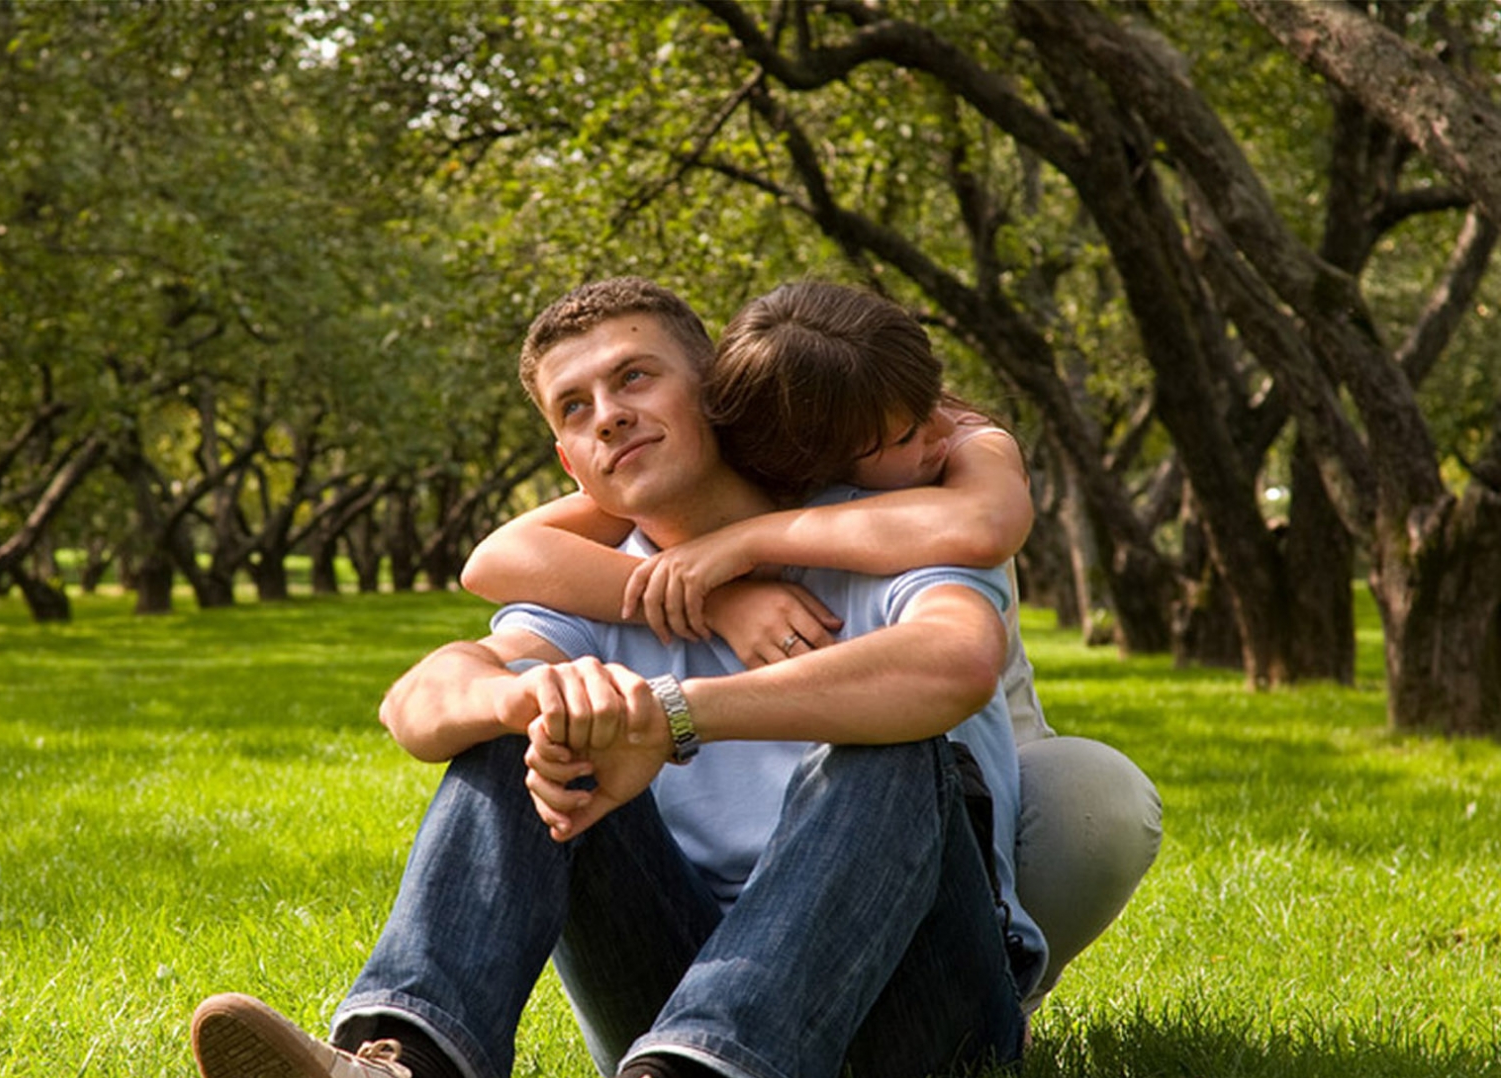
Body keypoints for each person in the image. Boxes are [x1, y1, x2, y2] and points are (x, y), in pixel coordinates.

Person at [191, 277, 1041, 1078]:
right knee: (519, 712)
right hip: (667, 988)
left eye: (635, 377)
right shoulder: (597, 583)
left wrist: (668, 717)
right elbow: (420, 699)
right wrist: (532, 701)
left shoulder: (870, 530)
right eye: (576, 406)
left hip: (922, 1010)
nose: (609, 415)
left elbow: (952, 663)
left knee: (901, 742)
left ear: (717, 392)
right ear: (568, 460)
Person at [460, 280, 1161, 1011]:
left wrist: (744, 545)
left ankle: (998, 987)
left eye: (634, 376)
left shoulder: (959, 445)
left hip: (963, 761)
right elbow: (492, 559)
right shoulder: (743, 454)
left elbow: (984, 528)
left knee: (1047, 778)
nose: (932, 441)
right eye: (893, 439)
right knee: (518, 729)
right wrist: (720, 597)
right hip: (701, 939)